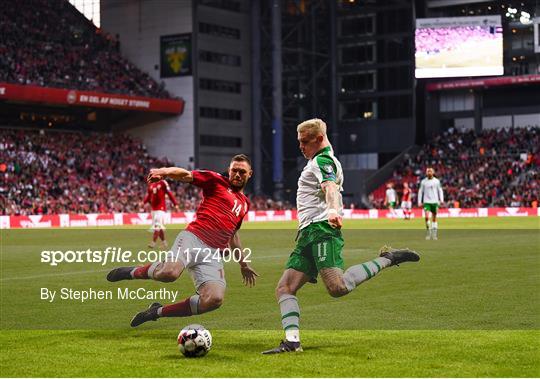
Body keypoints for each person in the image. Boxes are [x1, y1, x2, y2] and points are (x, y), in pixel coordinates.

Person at [262, 119, 420, 354]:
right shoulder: (318, 160)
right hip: (307, 234)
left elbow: (331, 188)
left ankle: (388, 258)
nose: (300, 146)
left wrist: (334, 210)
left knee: (338, 287)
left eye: (305, 142)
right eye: (299, 142)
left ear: (319, 139)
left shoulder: (323, 161)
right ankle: (292, 342)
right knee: (284, 287)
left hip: (321, 231)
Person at [107, 154, 259, 326]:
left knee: (214, 299)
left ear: (250, 174)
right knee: (169, 273)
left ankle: (155, 312)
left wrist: (244, 265)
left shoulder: (245, 204)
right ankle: (132, 272)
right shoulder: (215, 180)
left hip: (213, 255)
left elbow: (233, 235)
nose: (237, 175)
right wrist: (164, 172)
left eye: (242, 172)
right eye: (234, 170)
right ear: (229, 170)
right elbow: (185, 174)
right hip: (193, 238)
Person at [143, 178, 178, 248]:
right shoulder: (151, 184)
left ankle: (153, 243)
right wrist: (143, 202)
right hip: (153, 209)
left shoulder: (163, 183)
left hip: (160, 209)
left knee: (157, 226)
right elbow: (149, 196)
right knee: (159, 227)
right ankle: (164, 243)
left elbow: (169, 193)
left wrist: (175, 204)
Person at [418, 167, 444, 240]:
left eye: (430, 171)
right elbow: (420, 191)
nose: (429, 172)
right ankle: (428, 232)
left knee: (434, 218)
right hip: (426, 202)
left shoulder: (437, 181)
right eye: (428, 171)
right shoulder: (423, 182)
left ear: (433, 172)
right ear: (426, 173)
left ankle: (434, 234)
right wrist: (419, 201)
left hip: (435, 202)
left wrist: (441, 200)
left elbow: (440, 190)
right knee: (426, 217)